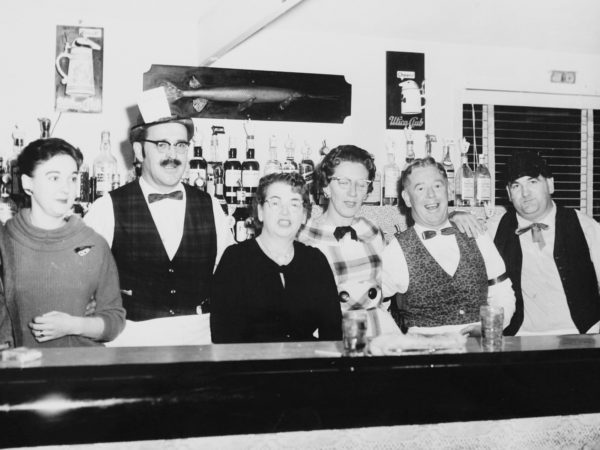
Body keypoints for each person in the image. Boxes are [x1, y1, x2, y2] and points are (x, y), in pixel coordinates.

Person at [84, 96, 234, 346]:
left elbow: (230, 278)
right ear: (139, 151)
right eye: (162, 145)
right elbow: (82, 281)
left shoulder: (212, 207)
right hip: (130, 342)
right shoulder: (107, 208)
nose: (173, 155)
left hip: (199, 340)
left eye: (180, 145)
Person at [2, 138, 125, 347]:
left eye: (73, 178)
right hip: (22, 374)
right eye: (54, 178)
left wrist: (73, 325)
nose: (66, 189)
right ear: (27, 183)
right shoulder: (5, 242)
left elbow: (114, 321)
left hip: (83, 371)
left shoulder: (94, 244)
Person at [382, 157, 515, 334]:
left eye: (437, 186)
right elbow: (371, 304)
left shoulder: (476, 233)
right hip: (426, 355)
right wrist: (397, 339)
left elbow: (502, 291)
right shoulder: (396, 250)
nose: (431, 195)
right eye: (420, 188)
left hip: (477, 353)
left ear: (449, 190)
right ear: (407, 198)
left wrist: (490, 327)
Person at [210, 172, 342, 344]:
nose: (285, 212)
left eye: (294, 204)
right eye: (275, 203)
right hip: (249, 367)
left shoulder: (315, 261)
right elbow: (223, 337)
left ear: (304, 215)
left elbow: (332, 334)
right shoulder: (235, 260)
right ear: (260, 211)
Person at [493, 151, 600, 335]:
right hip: (521, 339)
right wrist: (457, 216)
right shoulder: (494, 228)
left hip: (582, 335)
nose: (525, 193)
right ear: (509, 193)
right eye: (516, 186)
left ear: (550, 184)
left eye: (533, 182)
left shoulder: (585, 226)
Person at [298, 145, 399, 336]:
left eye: (361, 184)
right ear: (326, 186)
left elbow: (385, 286)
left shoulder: (372, 230)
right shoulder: (305, 235)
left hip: (378, 332)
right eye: (343, 182)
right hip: (332, 335)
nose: (353, 193)